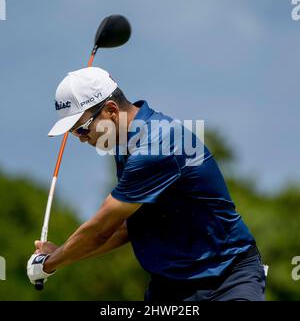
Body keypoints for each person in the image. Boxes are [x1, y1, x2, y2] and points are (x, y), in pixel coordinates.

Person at [27, 67, 266, 301]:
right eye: (73, 132)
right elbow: (126, 227)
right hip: (170, 287)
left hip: (226, 281)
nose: (80, 139)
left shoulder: (156, 147)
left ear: (111, 110)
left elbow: (102, 229)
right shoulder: (126, 143)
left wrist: (49, 264)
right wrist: (61, 254)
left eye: (81, 128)